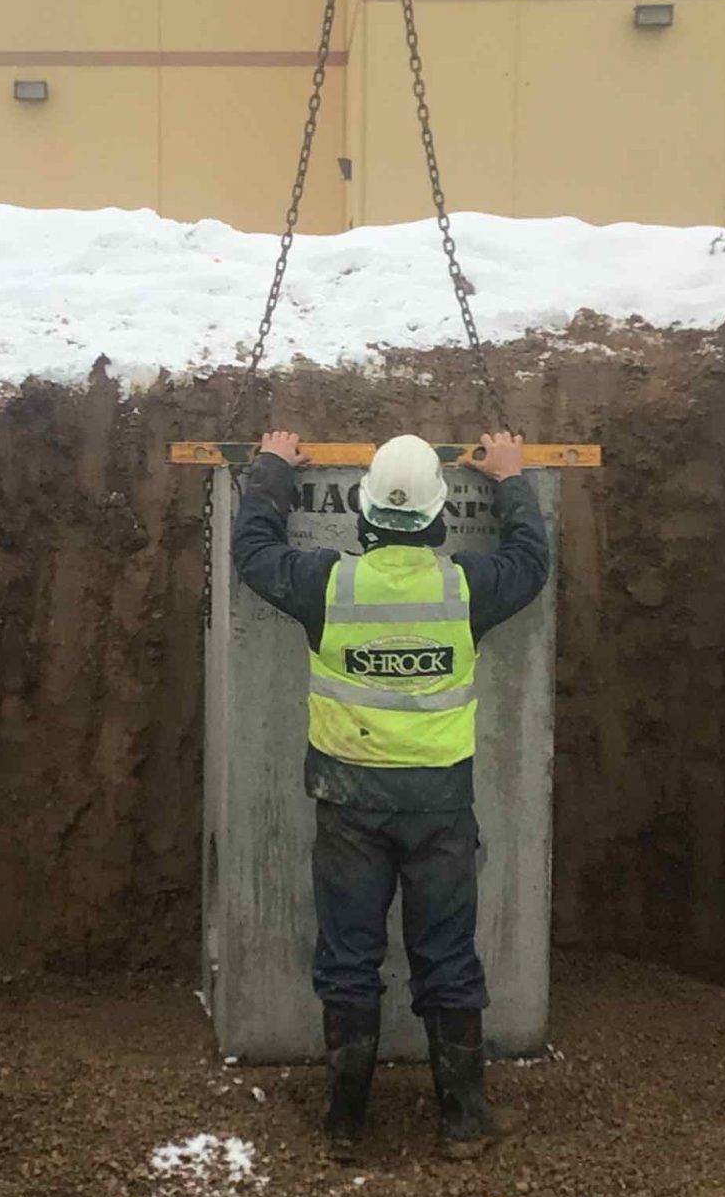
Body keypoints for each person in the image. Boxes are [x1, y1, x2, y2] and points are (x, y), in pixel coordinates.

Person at [232, 429, 551, 1153]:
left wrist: (274, 470)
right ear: (438, 517)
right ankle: (463, 1120)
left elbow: (252, 552)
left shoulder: (329, 584)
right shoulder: (465, 586)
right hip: (439, 806)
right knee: (446, 956)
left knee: (348, 956)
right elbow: (531, 562)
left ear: (365, 514)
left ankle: (345, 1124)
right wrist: (510, 479)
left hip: (349, 800)